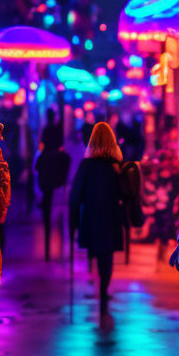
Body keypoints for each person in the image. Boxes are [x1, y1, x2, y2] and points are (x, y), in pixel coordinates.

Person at [69, 122, 126, 332]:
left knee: (96, 249)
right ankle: (103, 288)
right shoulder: (115, 166)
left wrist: (72, 224)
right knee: (107, 255)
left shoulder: (86, 166)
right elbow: (124, 194)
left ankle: (99, 284)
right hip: (110, 216)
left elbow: (75, 197)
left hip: (91, 217)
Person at [36, 108, 70, 260]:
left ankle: (44, 202)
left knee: (38, 167)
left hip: (47, 163)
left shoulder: (47, 129)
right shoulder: (56, 130)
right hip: (56, 162)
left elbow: (43, 144)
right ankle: (63, 183)